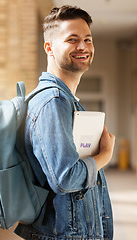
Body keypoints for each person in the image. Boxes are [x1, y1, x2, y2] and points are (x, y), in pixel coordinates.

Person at [14, 5, 115, 240]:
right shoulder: (53, 101)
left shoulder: (66, 101)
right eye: (72, 39)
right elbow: (65, 178)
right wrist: (105, 156)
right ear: (49, 47)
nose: (83, 47)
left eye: (87, 39)